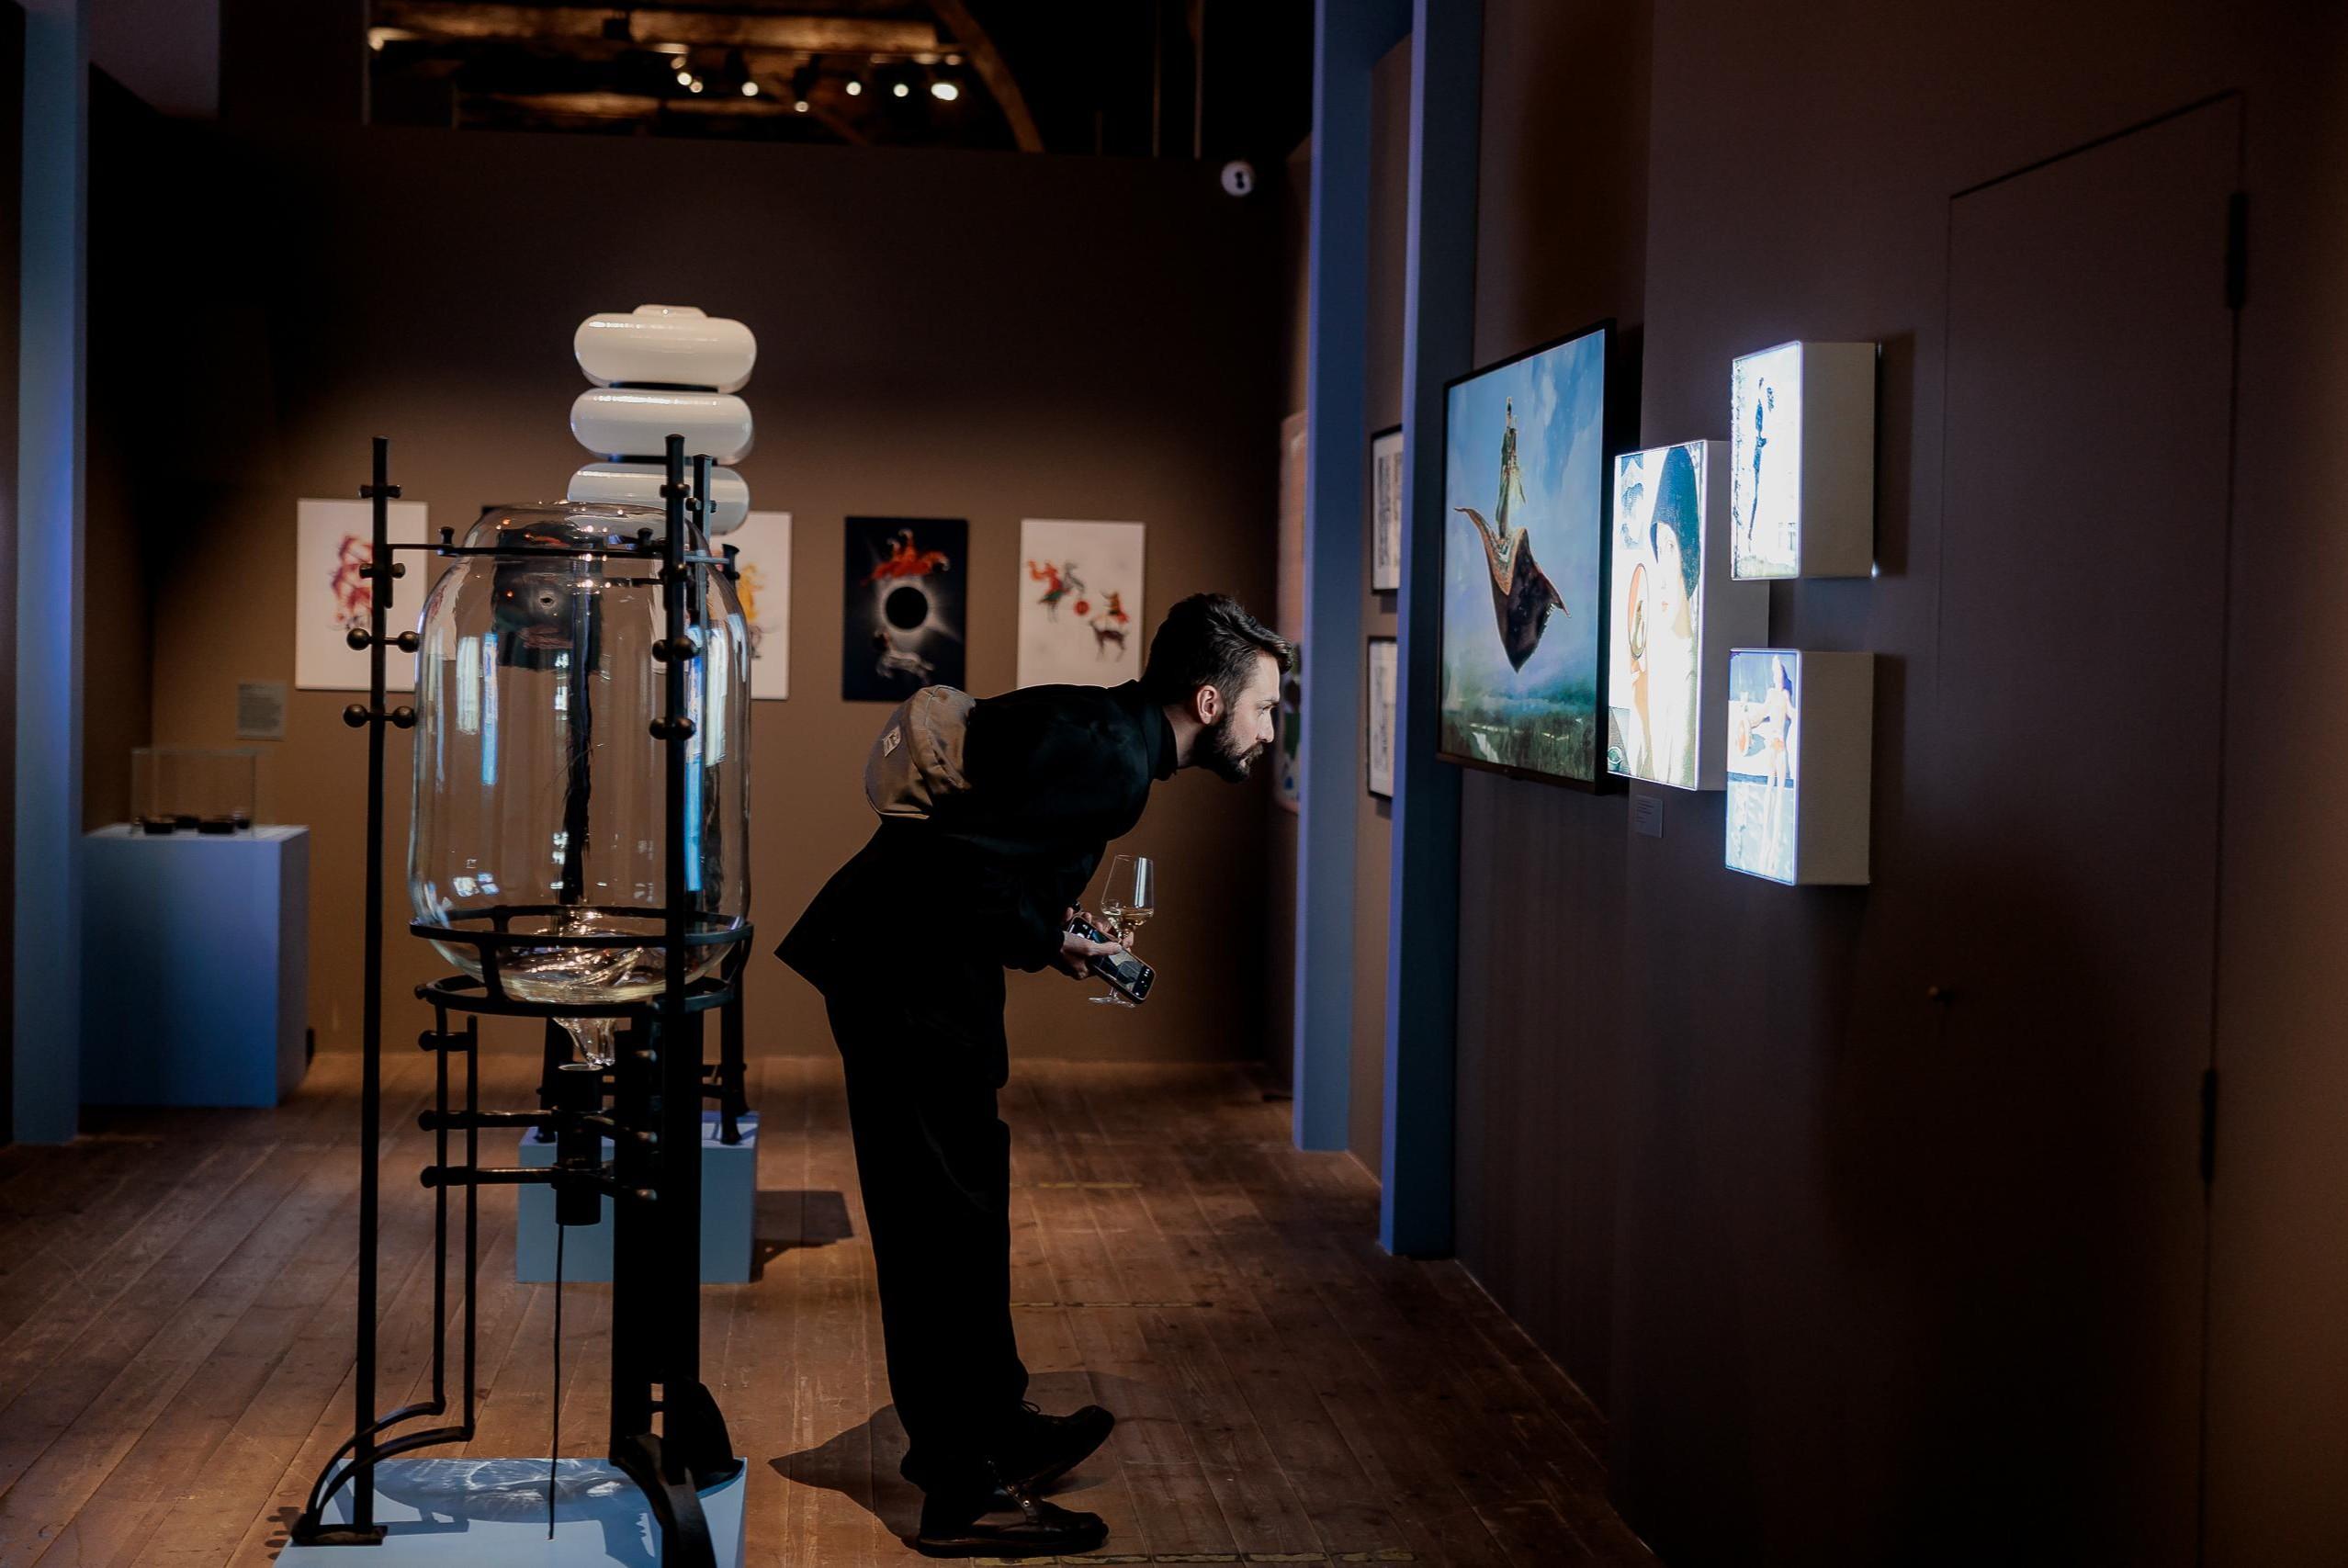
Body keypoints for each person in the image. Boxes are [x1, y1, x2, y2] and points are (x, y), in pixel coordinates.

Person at [778, 592, 1292, 1560]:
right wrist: (1042, 929)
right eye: (1264, 708)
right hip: (905, 986)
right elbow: (956, 873)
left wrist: (1053, 933)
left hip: (919, 980)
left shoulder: (1105, 727)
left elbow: (982, 846)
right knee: (937, 1228)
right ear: (1210, 702)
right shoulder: (1113, 761)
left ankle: (995, 1424)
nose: (1270, 731)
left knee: (967, 1208)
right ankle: (959, 1489)